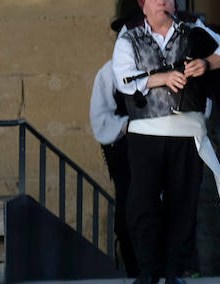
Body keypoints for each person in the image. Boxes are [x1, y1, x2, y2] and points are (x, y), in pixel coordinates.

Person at [112, 0, 220, 284]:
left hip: (186, 133)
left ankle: (174, 272)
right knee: (142, 204)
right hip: (146, 133)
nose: (162, 2)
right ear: (144, 5)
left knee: (183, 204)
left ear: (175, 2)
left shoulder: (193, 30)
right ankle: (148, 271)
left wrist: (206, 62)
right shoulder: (129, 38)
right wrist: (162, 77)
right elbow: (123, 78)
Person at [90, 56, 139, 276]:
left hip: (159, 144)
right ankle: (135, 269)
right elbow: (100, 118)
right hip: (125, 148)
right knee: (126, 209)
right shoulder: (109, 71)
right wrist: (126, 126)